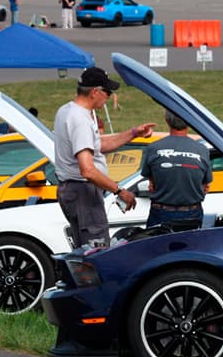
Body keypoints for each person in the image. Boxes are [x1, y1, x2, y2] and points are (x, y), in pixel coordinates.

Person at [54, 67, 156, 249]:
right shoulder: (80, 120)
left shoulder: (67, 110)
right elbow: (88, 170)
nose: (108, 97)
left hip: (73, 191)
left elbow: (99, 145)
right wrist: (119, 191)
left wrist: (133, 133)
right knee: (96, 251)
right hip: (83, 193)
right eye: (107, 92)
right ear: (95, 92)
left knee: (84, 251)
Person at [141, 109, 212, 231]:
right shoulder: (202, 149)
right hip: (192, 213)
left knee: (157, 249)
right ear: (189, 122)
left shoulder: (153, 148)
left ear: (166, 120)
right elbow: (205, 185)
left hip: (161, 212)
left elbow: (151, 183)